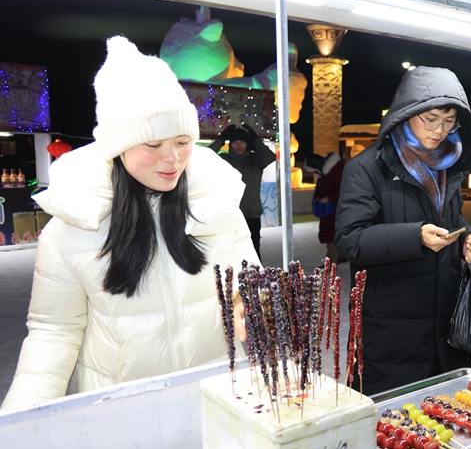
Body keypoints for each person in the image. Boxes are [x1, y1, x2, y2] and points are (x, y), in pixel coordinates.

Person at [1, 36, 258, 412]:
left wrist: (249, 305)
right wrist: (20, 424)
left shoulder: (218, 203)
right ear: (118, 146)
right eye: (152, 145)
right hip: (122, 413)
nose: (172, 159)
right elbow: (54, 333)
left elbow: (248, 285)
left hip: (218, 400)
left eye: (183, 141)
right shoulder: (73, 227)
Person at [335, 66, 471, 395]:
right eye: (430, 119)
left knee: (450, 420)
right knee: (396, 428)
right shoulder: (367, 168)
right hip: (392, 333)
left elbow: (453, 219)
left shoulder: (450, 164)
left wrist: (466, 238)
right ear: (406, 113)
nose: (439, 130)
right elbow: (350, 240)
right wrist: (414, 236)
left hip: (447, 323)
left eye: (448, 122)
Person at [208, 122, 275, 257]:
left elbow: (270, 157)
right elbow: (205, 156)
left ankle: (254, 278)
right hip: (228, 214)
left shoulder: (255, 161)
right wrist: (221, 140)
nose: (238, 146)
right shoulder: (223, 160)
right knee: (228, 253)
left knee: (253, 252)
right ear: (230, 144)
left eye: (242, 142)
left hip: (251, 214)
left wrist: (255, 140)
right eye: (235, 142)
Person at [302, 151, 345, 263]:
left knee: (332, 238)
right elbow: (321, 189)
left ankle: (330, 263)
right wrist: (319, 197)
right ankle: (339, 256)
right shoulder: (324, 173)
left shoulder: (335, 171)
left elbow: (343, 189)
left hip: (337, 209)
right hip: (329, 210)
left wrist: (328, 198)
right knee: (331, 236)